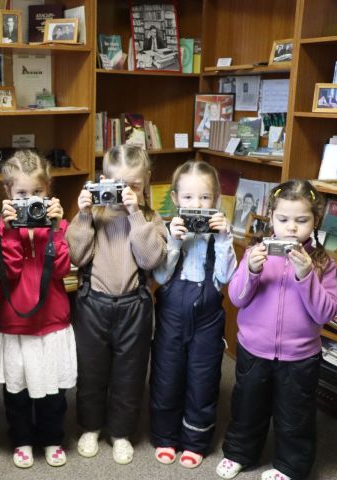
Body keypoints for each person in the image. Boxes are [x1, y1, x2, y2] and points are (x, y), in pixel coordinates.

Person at [216, 180, 337, 480]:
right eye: (283, 219)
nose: (291, 228)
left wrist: (306, 274)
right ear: (271, 218)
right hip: (254, 349)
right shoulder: (256, 252)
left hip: (300, 357)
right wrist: (253, 270)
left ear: (315, 221)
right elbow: (236, 298)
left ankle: (290, 466)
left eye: (301, 220)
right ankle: (239, 453)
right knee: (247, 408)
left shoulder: (323, 263)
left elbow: (326, 313)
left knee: (294, 415)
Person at [67, 145, 167, 465]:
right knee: (91, 371)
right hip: (92, 303)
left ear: (147, 181)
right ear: (103, 181)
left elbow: (151, 258)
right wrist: (83, 215)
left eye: (134, 186)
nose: (125, 193)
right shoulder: (93, 215)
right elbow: (75, 257)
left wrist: (136, 213)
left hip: (134, 305)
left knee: (130, 373)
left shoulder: (150, 218)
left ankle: (121, 432)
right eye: (117, 185)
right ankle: (91, 426)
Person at [0, 150, 74, 469]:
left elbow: (63, 269)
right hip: (16, 323)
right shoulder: (0, 226)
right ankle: (21, 438)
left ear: (48, 189)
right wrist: (9, 231)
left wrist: (54, 228)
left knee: (54, 391)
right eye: (22, 193)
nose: (30, 199)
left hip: (52, 321)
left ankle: (52, 438)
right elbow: (8, 273)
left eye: (37, 192)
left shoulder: (57, 223)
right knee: (17, 390)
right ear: (8, 193)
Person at [150, 161, 237, 469]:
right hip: (172, 314)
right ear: (175, 199)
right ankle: (165, 436)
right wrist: (173, 240)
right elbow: (159, 278)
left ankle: (195, 440)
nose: (196, 205)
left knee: (203, 379)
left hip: (208, 318)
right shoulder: (168, 227)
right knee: (167, 375)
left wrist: (225, 238)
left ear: (216, 200)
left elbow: (227, 277)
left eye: (204, 198)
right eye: (188, 198)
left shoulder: (221, 235)